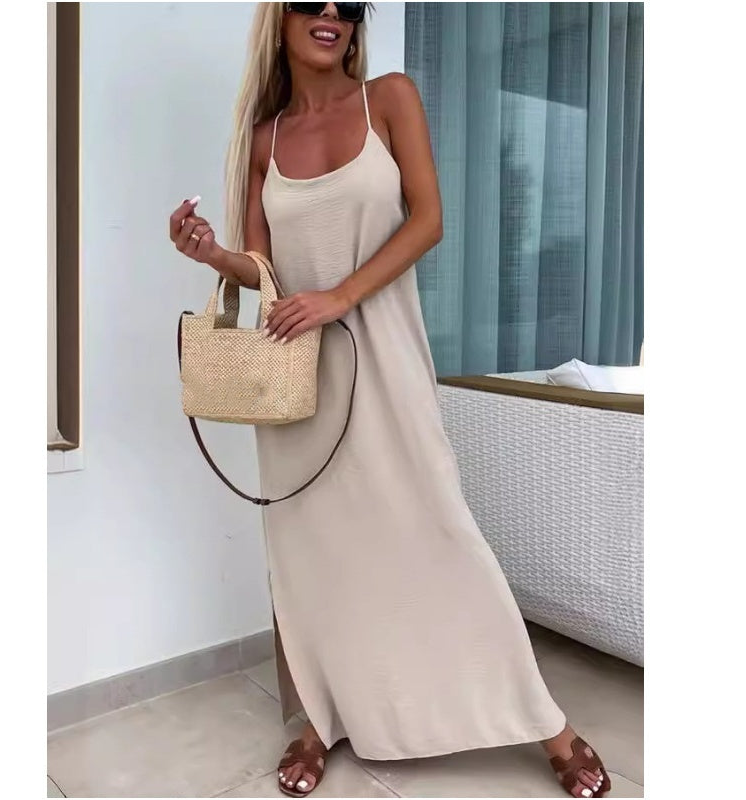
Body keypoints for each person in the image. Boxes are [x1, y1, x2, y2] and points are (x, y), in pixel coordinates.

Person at [169, 3, 610, 798]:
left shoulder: (390, 98)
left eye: (348, 1)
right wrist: (211, 254)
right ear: (280, 16)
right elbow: (263, 274)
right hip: (296, 383)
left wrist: (340, 295)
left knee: (440, 532)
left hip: (387, 363)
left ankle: (548, 723)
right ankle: (321, 719)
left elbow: (428, 221)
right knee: (313, 558)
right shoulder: (264, 140)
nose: (331, 12)